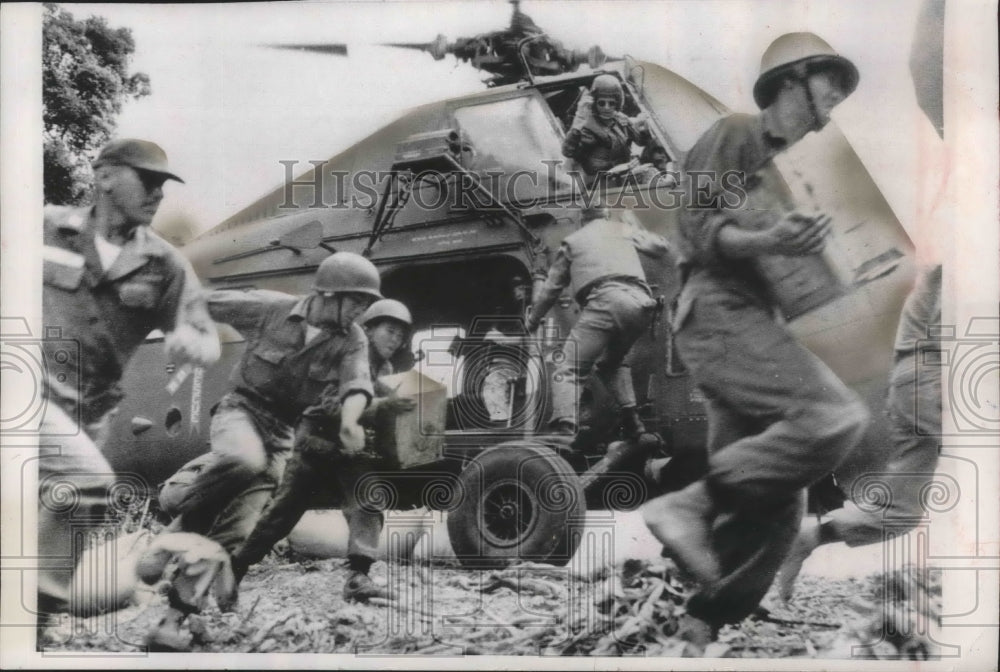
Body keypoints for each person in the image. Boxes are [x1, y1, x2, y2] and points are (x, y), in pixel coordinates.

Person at [640, 33, 871, 650]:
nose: (837, 99)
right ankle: (687, 506)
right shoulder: (737, 133)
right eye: (832, 83)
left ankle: (697, 627)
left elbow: (771, 255)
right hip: (715, 312)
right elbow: (696, 228)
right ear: (793, 77)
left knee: (778, 503)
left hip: (747, 320)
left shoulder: (787, 169)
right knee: (833, 417)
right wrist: (771, 242)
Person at [149, 252, 380, 646]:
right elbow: (199, 302)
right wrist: (180, 334)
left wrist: (350, 420)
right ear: (328, 293)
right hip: (241, 410)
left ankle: (173, 621)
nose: (360, 311)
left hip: (282, 435)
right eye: (357, 301)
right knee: (242, 458)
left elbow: (356, 384)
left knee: (236, 532)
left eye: (365, 304)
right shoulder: (271, 308)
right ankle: (176, 531)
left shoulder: (352, 339)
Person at [38, 139, 220, 629]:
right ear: (104, 178)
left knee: (44, 515)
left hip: (87, 415)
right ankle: (34, 624)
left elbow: (207, 337)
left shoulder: (164, 264)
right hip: (24, 393)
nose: (158, 194)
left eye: (163, 185)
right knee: (86, 483)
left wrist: (191, 342)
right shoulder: (45, 227)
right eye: (148, 180)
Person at [230, 298, 417, 603]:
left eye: (400, 335)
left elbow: (383, 421)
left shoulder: (384, 369)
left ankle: (358, 577)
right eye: (389, 331)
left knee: (367, 501)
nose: (395, 341)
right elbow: (331, 406)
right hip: (313, 448)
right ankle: (234, 566)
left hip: (346, 453)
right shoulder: (345, 355)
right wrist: (386, 405)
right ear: (368, 330)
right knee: (279, 518)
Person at [777, 267, 943, 600]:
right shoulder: (972, 252)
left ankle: (810, 538)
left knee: (900, 511)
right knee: (901, 508)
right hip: (935, 374)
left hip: (921, 378)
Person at [526, 207, 669, 440]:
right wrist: (635, 226)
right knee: (611, 363)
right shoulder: (621, 229)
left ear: (582, 221)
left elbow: (551, 289)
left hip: (606, 301)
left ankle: (564, 428)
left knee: (569, 366)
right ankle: (633, 423)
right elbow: (661, 247)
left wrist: (531, 322)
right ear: (604, 217)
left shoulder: (573, 241)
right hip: (641, 306)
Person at [562, 74, 650, 187]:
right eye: (601, 103)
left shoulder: (619, 118)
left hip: (623, 177)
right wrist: (577, 124)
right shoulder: (589, 126)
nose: (606, 107)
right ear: (594, 102)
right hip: (601, 186)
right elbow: (568, 151)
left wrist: (645, 128)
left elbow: (641, 140)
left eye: (611, 103)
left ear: (617, 103)